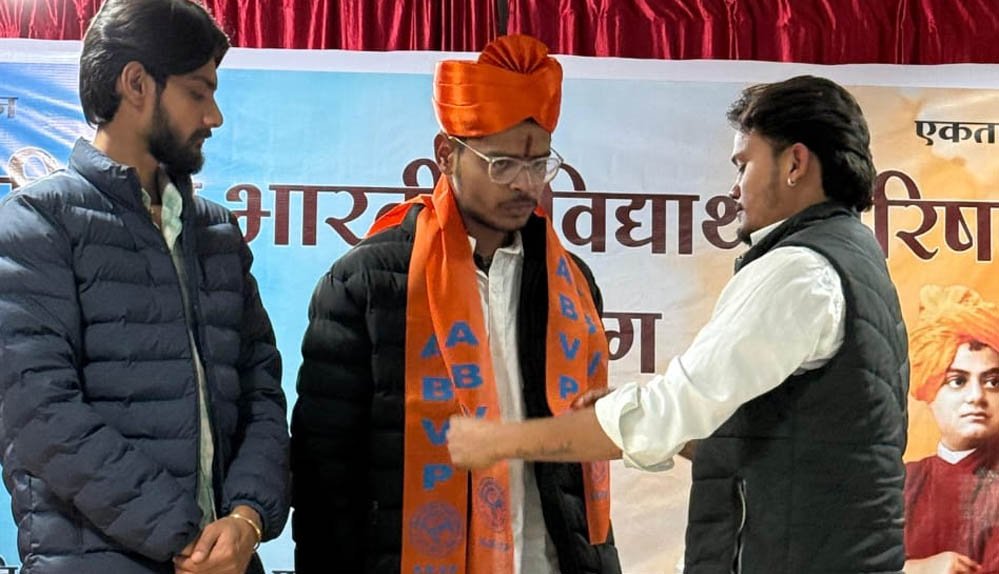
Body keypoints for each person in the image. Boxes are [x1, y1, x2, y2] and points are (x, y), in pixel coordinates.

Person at [447, 75, 910, 573]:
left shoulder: (799, 271)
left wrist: (502, 442)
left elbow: (667, 412)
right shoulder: (851, 257)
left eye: (744, 165)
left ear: (795, 163)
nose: (734, 188)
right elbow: (792, 448)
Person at [291, 34, 621, 574]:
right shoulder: (368, 282)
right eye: (502, 164)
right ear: (447, 155)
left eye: (538, 164)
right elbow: (323, 470)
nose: (525, 185)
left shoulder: (572, 285)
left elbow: (580, 468)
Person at [0, 1, 290, 573]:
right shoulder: (36, 224)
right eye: (198, 92)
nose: (214, 116)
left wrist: (248, 518)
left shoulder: (217, 233)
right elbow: (40, 414)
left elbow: (262, 393)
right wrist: (188, 539)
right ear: (136, 84)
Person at [904, 285, 999, 574]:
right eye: (957, 381)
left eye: (992, 382)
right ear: (930, 391)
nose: (976, 396)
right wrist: (916, 570)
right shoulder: (901, 482)